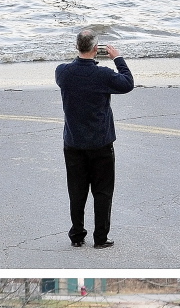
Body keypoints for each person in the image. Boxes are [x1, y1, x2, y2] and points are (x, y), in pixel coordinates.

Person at [55, 29, 135, 249]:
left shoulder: (63, 72)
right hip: (100, 143)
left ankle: (77, 236)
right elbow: (127, 83)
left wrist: (81, 56)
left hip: (73, 142)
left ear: (77, 47)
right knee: (102, 192)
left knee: (77, 192)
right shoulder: (103, 75)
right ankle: (100, 238)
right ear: (95, 49)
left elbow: (74, 68)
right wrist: (117, 58)